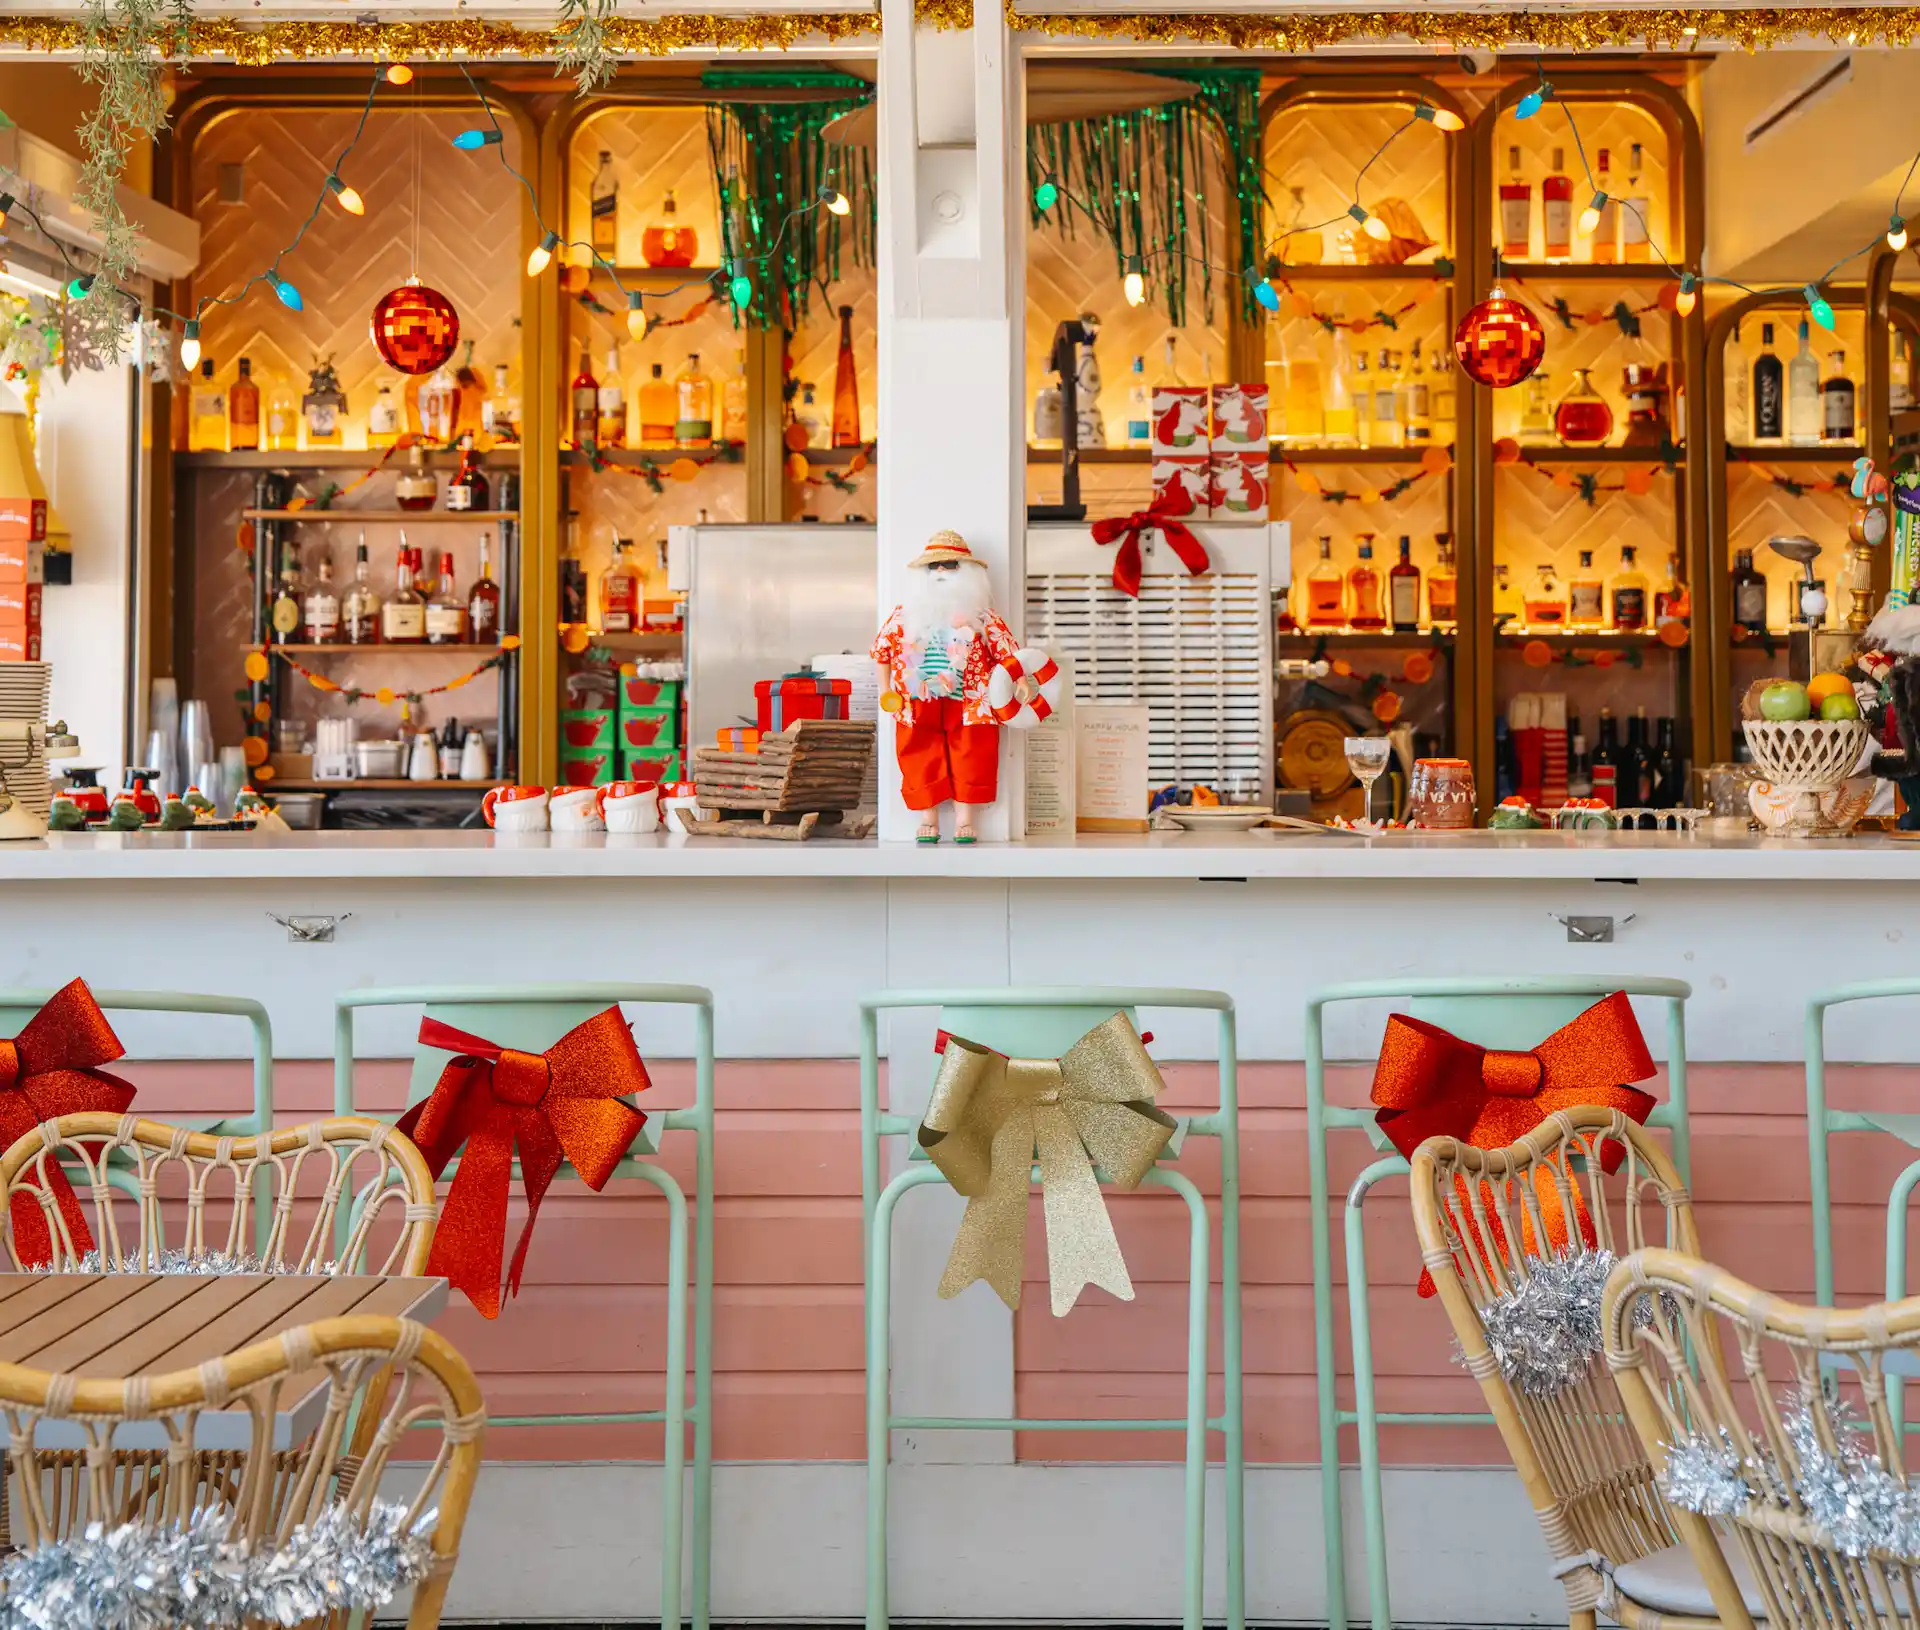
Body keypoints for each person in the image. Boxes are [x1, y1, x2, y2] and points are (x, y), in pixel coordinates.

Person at [870, 530, 1018, 844]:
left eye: (949, 565)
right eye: (932, 566)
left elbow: (1007, 654)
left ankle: (965, 819)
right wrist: (885, 690)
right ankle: (929, 817)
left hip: (970, 701)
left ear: (967, 572)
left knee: (973, 753)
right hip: (915, 698)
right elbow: (882, 652)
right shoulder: (905, 615)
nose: (940, 572)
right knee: (918, 754)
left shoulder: (981, 616)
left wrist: (1019, 682)